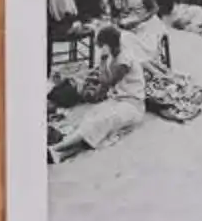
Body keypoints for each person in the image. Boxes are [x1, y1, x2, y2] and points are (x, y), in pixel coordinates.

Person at [48, 24, 146, 157]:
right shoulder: (115, 52)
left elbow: (107, 82)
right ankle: (62, 152)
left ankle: (57, 148)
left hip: (133, 105)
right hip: (117, 100)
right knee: (91, 119)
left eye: (101, 46)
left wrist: (103, 59)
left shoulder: (124, 60)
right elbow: (102, 85)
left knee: (102, 121)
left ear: (107, 45)